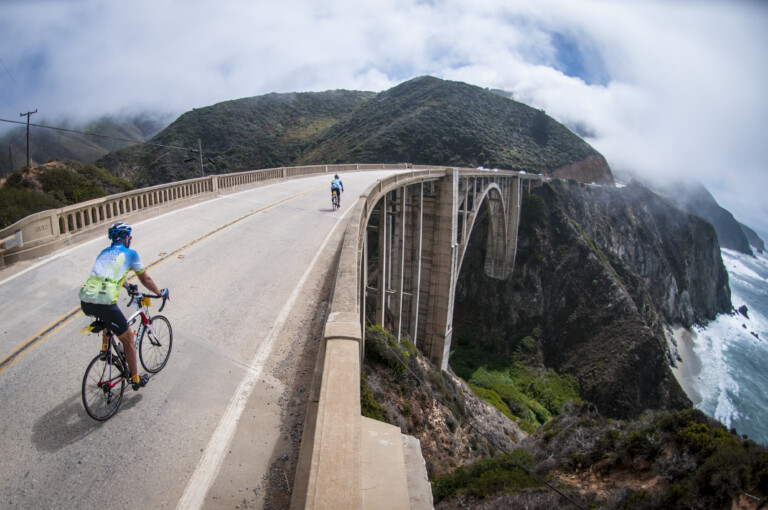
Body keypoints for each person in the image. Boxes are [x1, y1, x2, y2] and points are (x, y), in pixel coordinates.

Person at [79, 222, 169, 390]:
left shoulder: (104, 253)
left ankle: (106, 350)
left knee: (108, 319)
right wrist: (159, 293)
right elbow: (146, 280)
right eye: (130, 237)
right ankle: (135, 379)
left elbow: (109, 275)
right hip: (104, 303)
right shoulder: (130, 254)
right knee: (128, 338)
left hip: (86, 302)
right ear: (127, 238)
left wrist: (127, 286)